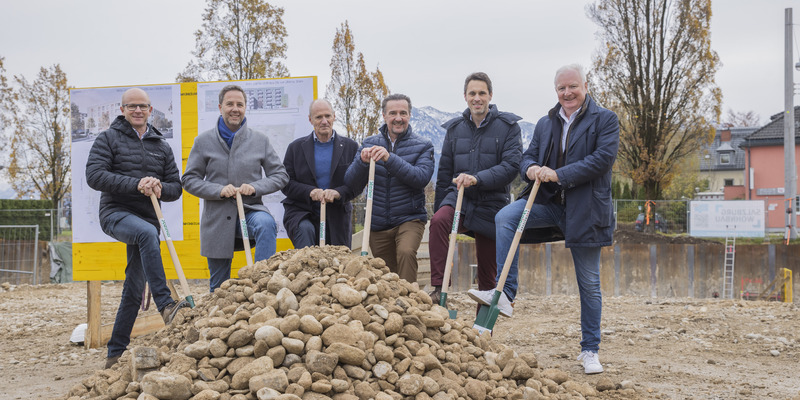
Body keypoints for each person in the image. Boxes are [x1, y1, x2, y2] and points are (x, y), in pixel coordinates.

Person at [468, 64, 619, 374]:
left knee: (589, 284)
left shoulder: (605, 119)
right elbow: (528, 157)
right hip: (550, 205)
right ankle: (506, 293)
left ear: (585, 86)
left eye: (573, 86)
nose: (567, 93)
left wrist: (558, 174)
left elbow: (602, 160)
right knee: (506, 217)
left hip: (586, 211)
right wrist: (531, 168)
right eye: (562, 88)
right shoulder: (545, 123)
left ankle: (590, 350)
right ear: (556, 91)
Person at [85, 88, 188, 369]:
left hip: (148, 220)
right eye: (131, 106)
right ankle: (166, 304)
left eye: (142, 106)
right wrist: (136, 184)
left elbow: (175, 187)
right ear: (122, 110)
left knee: (133, 287)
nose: (138, 111)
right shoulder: (108, 138)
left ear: (150, 110)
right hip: (116, 214)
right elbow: (94, 175)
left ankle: (114, 353)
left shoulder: (161, 145)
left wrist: (158, 186)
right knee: (145, 232)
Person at [182, 84, 289, 292]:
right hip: (217, 220)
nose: (235, 108)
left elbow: (280, 175)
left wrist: (255, 187)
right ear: (220, 106)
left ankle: (262, 284)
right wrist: (218, 190)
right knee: (219, 289)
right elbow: (189, 179)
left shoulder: (260, 140)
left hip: (250, 212)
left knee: (266, 223)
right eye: (230, 104)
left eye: (240, 104)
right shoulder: (203, 141)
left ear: (245, 108)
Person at [428, 72, 522, 303]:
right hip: (460, 197)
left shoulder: (509, 127)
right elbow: (444, 174)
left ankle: (482, 330)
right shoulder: (455, 129)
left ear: (490, 95)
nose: (477, 98)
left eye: (482, 93)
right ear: (465, 96)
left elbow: (511, 166)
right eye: (472, 93)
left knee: (487, 274)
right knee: (439, 221)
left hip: (492, 204)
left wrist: (477, 179)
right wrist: (441, 204)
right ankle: (440, 289)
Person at [344, 94, 435, 283]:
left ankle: (410, 304)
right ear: (384, 116)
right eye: (393, 113)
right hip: (378, 222)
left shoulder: (423, 146)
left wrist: (389, 159)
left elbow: (420, 178)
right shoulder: (369, 143)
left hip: (409, 217)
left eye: (403, 113)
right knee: (385, 272)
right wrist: (362, 162)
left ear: (410, 115)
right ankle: (391, 310)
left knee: (406, 252)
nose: (398, 118)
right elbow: (351, 183)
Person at [281, 99, 359, 248]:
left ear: (334, 117)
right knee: (306, 239)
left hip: (337, 213)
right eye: (318, 117)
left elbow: (356, 184)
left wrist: (338, 193)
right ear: (310, 120)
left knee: (337, 263)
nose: (324, 121)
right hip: (302, 211)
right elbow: (286, 184)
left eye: (327, 116)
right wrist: (310, 192)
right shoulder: (295, 148)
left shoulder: (351, 147)